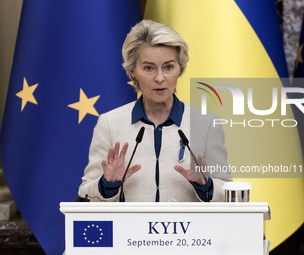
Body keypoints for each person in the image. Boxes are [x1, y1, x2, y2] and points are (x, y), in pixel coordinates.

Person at [78, 20, 230, 202]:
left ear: (179, 69)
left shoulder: (206, 124)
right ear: (133, 70)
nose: (160, 78)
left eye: (168, 67)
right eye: (149, 68)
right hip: (128, 230)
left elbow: (227, 192)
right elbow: (85, 192)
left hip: (191, 230)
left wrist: (207, 186)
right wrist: (107, 184)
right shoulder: (109, 123)